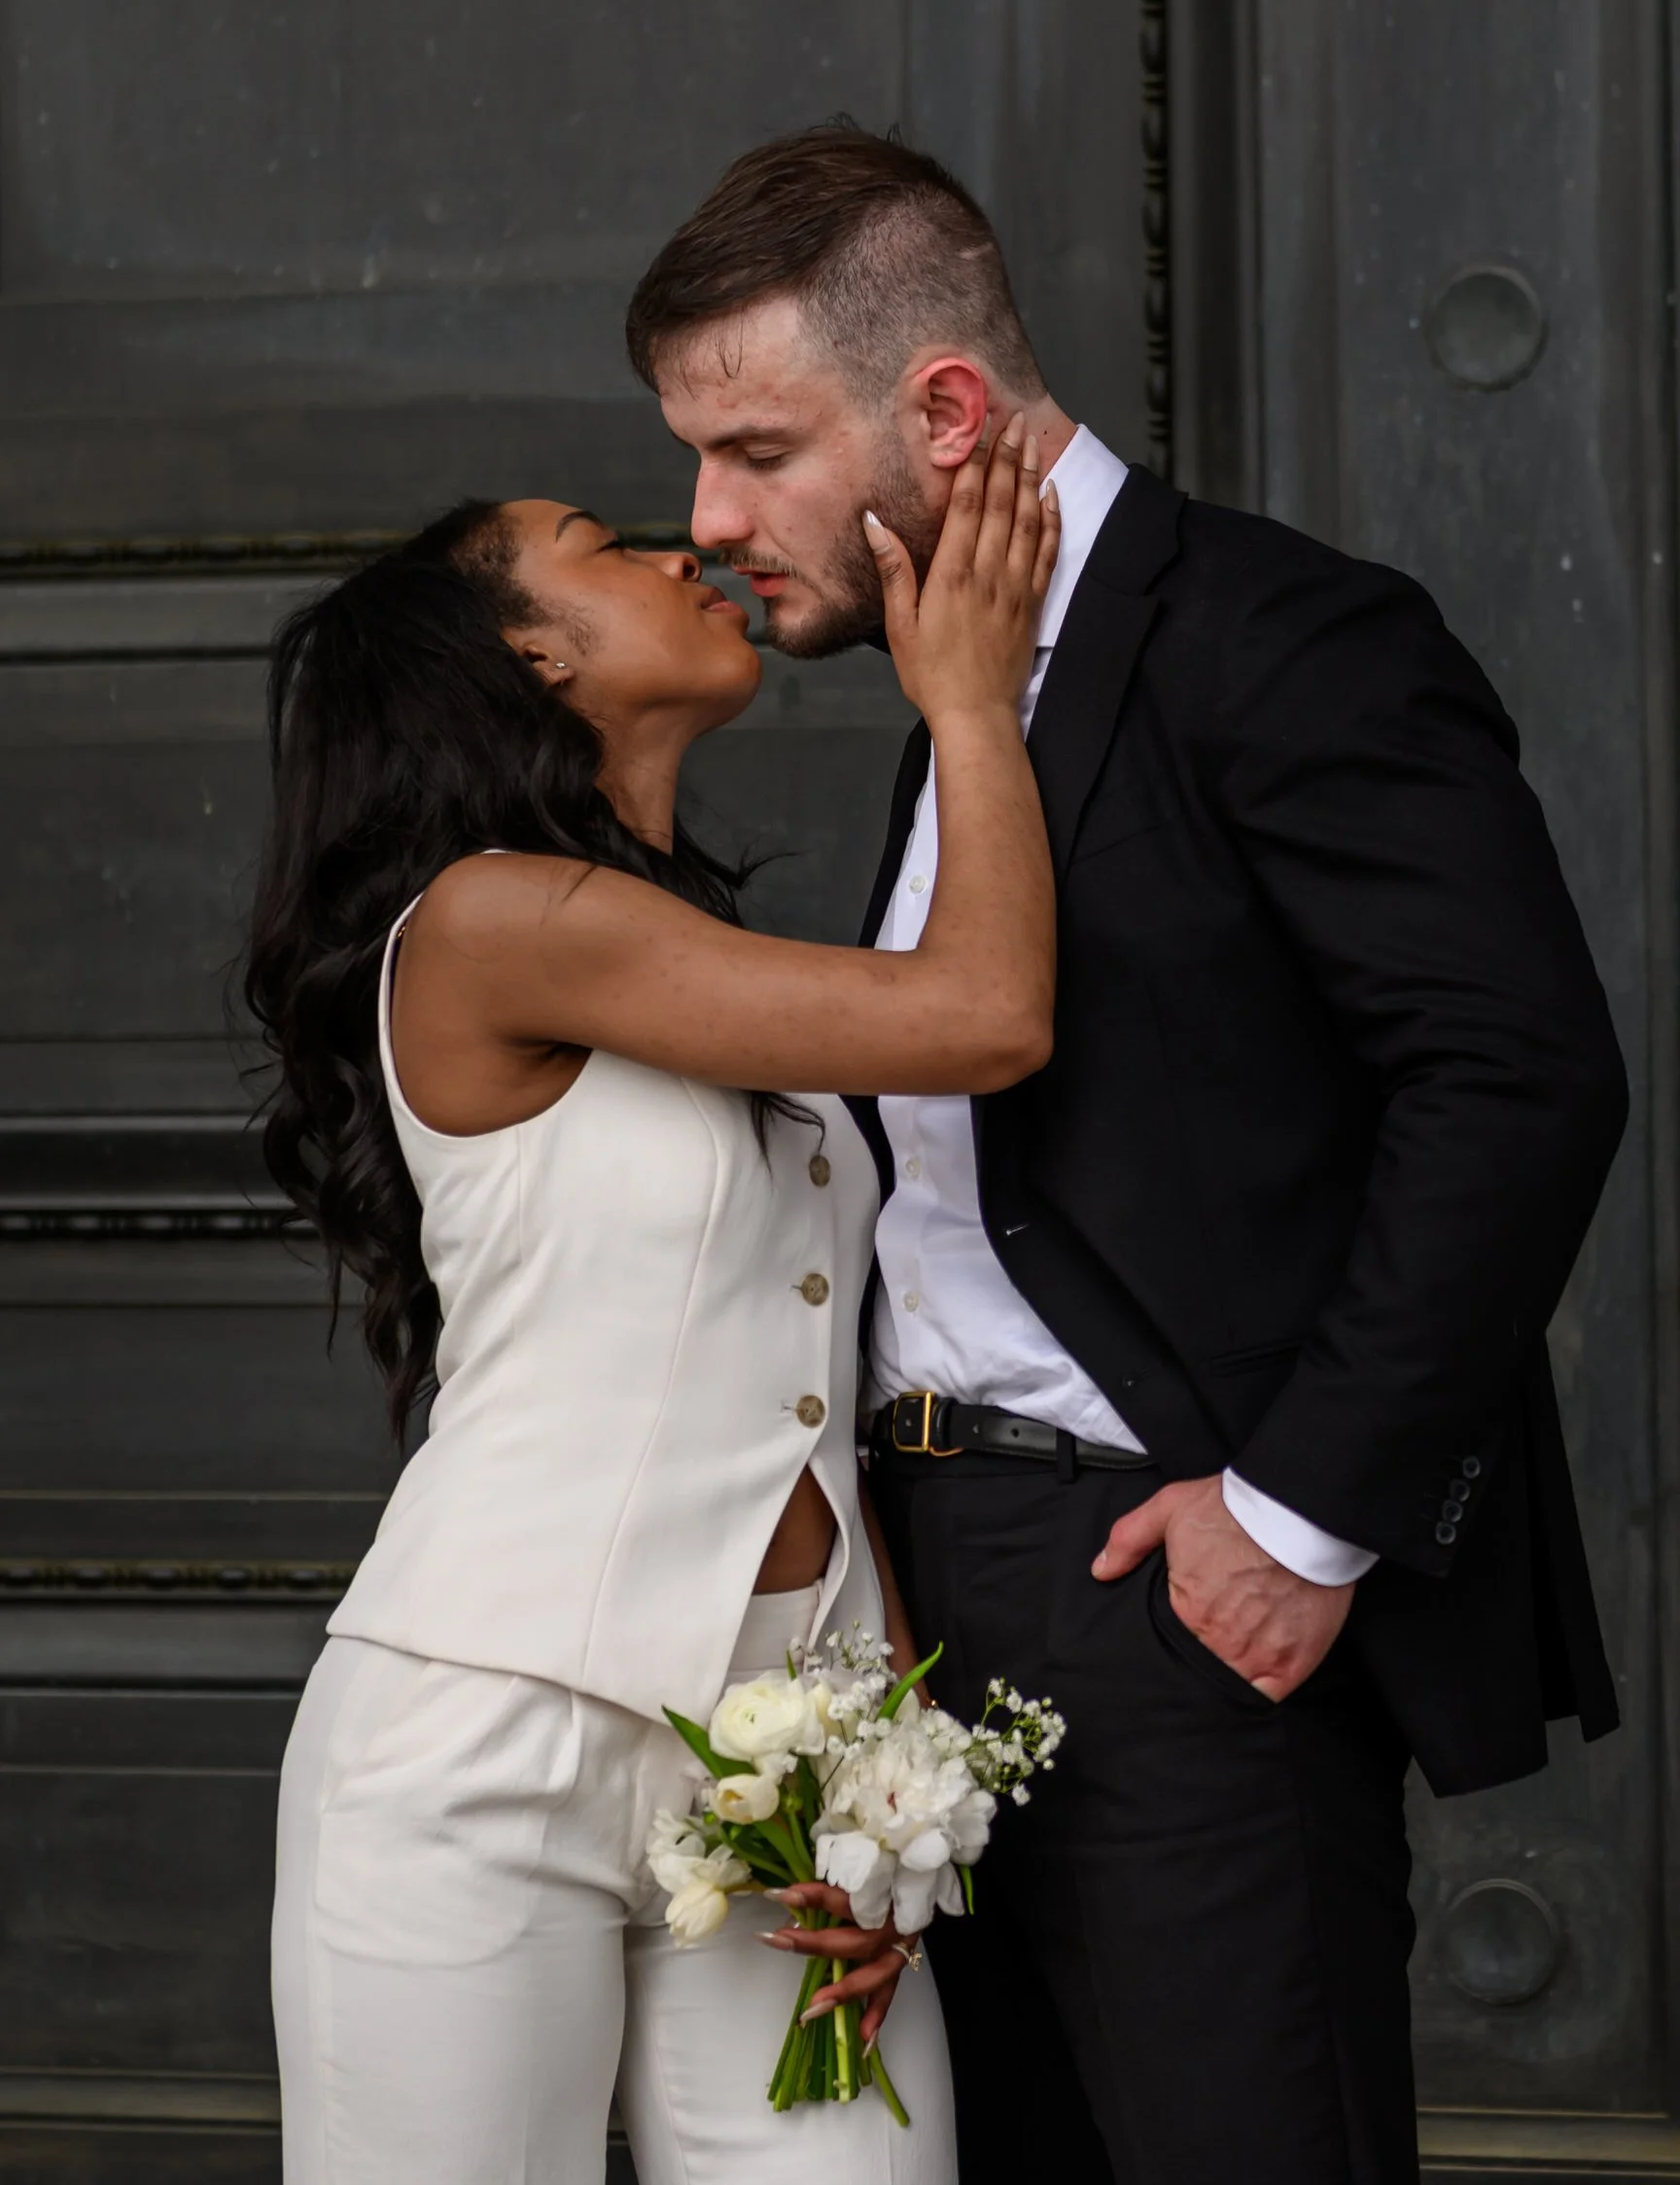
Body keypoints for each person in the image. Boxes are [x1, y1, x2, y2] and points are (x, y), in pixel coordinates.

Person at [625, 122, 1631, 2185]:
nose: (708, 517)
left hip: (1177, 1602)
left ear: (948, 409)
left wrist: (1296, 1515)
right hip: (920, 1625)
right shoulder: (954, 690)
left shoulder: (1282, 635)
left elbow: (1520, 1075)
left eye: (751, 448)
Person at [246, 419, 1060, 2182]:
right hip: (481, 1748)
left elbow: (808, 1396)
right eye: (604, 544)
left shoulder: (697, 966)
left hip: (781, 1766)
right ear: (526, 653)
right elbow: (989, 1012)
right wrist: (975, 709)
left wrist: (887, 1779)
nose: (684, 551)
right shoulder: (492, 921)